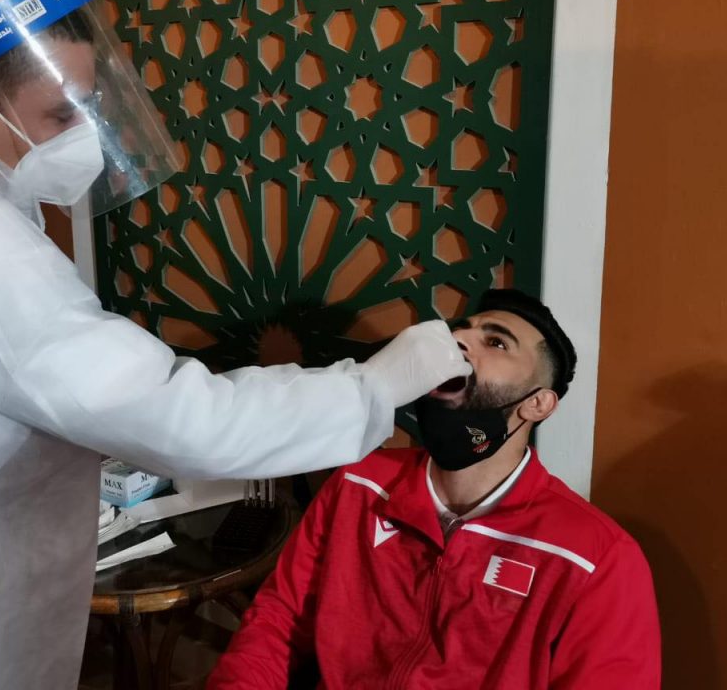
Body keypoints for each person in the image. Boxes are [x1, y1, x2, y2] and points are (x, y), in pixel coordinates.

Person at [0, 0, 472, 690]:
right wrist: (371, 389)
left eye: (89, 104)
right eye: (62, 115)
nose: (85, 134)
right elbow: (179, 417)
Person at [208, 289, 662, 689]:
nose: (459, 341)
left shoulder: (595, 559)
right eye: (459, 331)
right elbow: (279, 622)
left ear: (538, 403)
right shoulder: (358, 483)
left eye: (496, 342)